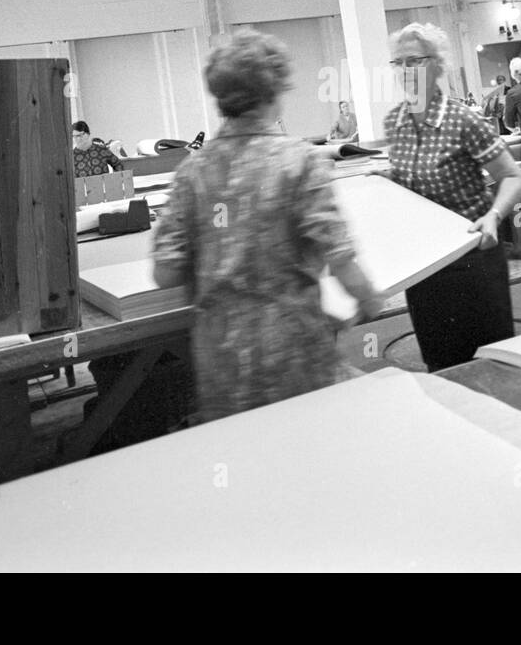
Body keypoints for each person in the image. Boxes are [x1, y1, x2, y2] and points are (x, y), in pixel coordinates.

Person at [153, 29, 382, 423]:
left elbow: (165, 272)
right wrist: (369, 300)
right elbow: (340, 258)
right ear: (274, 92)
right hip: (293, 354)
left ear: (220, 97)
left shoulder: (191, 172)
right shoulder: (299, 162)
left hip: (221, 362)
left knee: (247, 464)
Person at [384, 23, 521, 372]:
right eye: (398, 63)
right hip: (424, 266)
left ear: (437, 65)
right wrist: (385, 182)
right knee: (441, 364)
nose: (405, 70)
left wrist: (494, 215)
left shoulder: (462, 120)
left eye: (414, 61)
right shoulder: (394, 122)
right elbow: (413, 182)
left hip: (471, 262)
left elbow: (512, 177)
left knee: (490, 365)